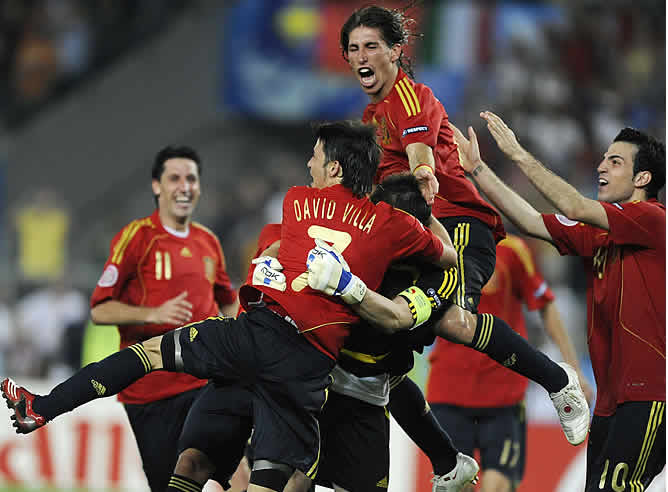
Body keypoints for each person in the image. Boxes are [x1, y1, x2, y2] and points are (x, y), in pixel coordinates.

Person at [2, 120, 456, 492]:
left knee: (151, 357)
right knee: (273, 481)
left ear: (334, 168)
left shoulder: (296, 203)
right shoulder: (391, 224)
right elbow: (449, 254)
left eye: (314, 158)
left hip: (256, 334)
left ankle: (44, 406)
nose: (307, 165)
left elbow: (274, 256)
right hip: (307, 368)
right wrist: (424, 207)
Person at [339, 5, 591, 465]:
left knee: (451, 320)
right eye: (353, 48)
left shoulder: (411, 97)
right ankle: (448, 464)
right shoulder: (372, 116)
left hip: (455, 230)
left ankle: (558, 382)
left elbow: (420, 159)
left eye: (371, 46)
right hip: (410, 238)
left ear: (396, 51)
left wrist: (422, 175)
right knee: (379, 353)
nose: (362, 56)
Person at [450, 111, 665, 491]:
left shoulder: (652, 218)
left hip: (649, 394)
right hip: (611, 400)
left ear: (642, 179)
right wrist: (478, 169)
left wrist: (517, 154)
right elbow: (531, 221)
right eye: (603, 159)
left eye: (615, 162)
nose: (601, 166)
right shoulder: (600, 232)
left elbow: (574, 207)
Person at [81, 145, 242, 491]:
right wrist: (152, 313)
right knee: (169, 482)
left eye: (192, 179)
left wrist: (243, 342)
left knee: (239, 467)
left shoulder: (209, 242)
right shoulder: (137, 238)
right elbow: (99, 309)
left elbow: (228, 302)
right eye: (175, 178)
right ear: (156, 186)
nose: (185, 186)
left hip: (203, 384)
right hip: (150, 393)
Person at [426, 234, 594, 492]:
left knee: (497, 487)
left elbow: (545, 304)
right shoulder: (438, 244)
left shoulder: (512, 250)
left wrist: (574, 370)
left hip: (503, 396)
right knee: (457, 487)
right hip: (449, 392)